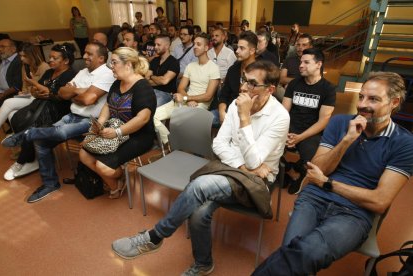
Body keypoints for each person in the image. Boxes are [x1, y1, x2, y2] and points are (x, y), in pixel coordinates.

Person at [111, 60, 290, 275]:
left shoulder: (279, 117)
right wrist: (243, 164)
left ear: (270, 89)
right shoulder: (236, 104)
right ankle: (203, 263)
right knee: (198, 212)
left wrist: (244, 119)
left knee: (200, 185)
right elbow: (219, 144)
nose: (243, 87)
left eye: (252, 84)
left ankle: (154, 237)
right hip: (233, 170)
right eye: (244, 80)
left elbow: (255, 164)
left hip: (258, 181)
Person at [252, 71, 413, 276]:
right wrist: (346, 141)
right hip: (314, 199)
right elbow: (318, 168)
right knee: (293, 253)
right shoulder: (340, 123)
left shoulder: (404, 143)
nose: (362, 105)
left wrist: (328, 183)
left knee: (305, 253)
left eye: (373, 99)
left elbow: (380, 201)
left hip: (354, 213)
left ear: (394, 102)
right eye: (361, 97)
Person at [1, 42, 115, 202]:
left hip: (91, 121)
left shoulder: (107, 74)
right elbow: (61, 92)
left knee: (60, 132)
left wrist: (76, 93)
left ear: (101, 58)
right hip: (72, 114)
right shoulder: (83, 72)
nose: (84, 57)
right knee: (41, 141)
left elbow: (88, 99)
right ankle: (50, 184)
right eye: (85, 53)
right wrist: (78, 91)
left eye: (89, 54)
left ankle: (27, 134)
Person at [79, 47, 156, 199]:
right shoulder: (117, 83)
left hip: (138, 136)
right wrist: (100, 123)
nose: (110, 66)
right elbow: (108, 105)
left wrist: (117, 132)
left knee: (103, 167)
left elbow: (143, 118)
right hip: (114, 132)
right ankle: (117, 181)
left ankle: (116, 182)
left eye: (113, 62)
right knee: (83, 155)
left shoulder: (143, 87)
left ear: (128, 64)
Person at [2, 43, 77, 181]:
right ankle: (28, 156)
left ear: (66, 61)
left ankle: (21, 161)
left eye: (55, 58)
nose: (50, 60)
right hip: (40, 106)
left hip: (57, 111)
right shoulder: (49, 72)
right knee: (16, 116)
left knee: (33, 126)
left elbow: (58, 95)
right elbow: (35, 92)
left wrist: (36, 86)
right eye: (50, 57)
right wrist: (38, 91)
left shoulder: (71, 74)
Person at [282, 48, 336, 194]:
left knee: (313, 162)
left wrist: (300, 137)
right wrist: (285, 132)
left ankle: (301, 175)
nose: (301, 65)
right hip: (289, 128)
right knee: (268, 145)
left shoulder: (328, 89)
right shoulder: (294, 84)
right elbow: (283, 111)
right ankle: (286, 172)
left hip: (311, 132)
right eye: (301, 62)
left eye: (306, 62)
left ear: (318, 64)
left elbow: (323, 121)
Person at [154, 33, 220, 145]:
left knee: (184, 122)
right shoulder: (190, 66)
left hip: (199, 105)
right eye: (194, 44)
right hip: (185, 100)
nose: (195, 47)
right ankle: (169, 143)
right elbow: (181, 87)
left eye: (198, 44)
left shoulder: (213, 68)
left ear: (206, 48)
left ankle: (183, 147)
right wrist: (187, 99)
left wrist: (186, 98)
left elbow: (208, 95)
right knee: (155, 116)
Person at [0, 42, 49, 128]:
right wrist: (22, 93)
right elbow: (24, 86)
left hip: (39, 99)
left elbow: (45, 90)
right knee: (12, 114)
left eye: (24, 56)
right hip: (29, 96)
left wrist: (30, 88)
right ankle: (18, 138)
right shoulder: (25, 66)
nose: (21, 59)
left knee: (8, 102)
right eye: (20, 56)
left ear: (32, 55)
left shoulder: (44, 67)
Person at [218, 31, 257, 124]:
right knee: (204, 119)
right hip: (230, 111)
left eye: (242, 48)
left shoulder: (260, 72)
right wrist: (222, 112)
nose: (237, 51)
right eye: (237, 47)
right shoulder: (233, 69)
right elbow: (223, 95)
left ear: (252, 51)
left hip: (251, 115)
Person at [145, 34, 179, 107]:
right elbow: (146, 79)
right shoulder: (154, 60)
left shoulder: (174, 62)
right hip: (150, 91)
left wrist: (151, 77)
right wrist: (159, 80)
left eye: (158, 45)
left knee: (149, 107)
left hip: (166, 94)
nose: (155, 47)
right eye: (155, 44)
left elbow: (164, 81)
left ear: (167, 46)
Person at [0, 38, 22, 108]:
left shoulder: (19, 61)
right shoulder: (3, 61)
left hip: (10, 95)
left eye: (3, 47)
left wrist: (2, 95)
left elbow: (17, 86)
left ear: (13, 49)